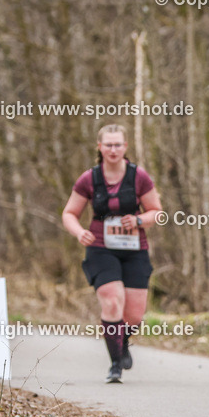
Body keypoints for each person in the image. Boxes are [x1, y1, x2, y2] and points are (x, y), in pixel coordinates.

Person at [62, 124, 163, 383]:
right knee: (111, 300)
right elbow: (69, 213)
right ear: (100, 147)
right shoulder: (90, 178)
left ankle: (123, 340)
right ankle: (115, 363)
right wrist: (78, 232)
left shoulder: (139, 176)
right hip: (100, 247)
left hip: (134, 249)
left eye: (118, 144)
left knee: (134, 315)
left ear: (125, 147)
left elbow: (156, 212)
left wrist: (139, 221)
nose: (113, 149)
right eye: (108, 145)